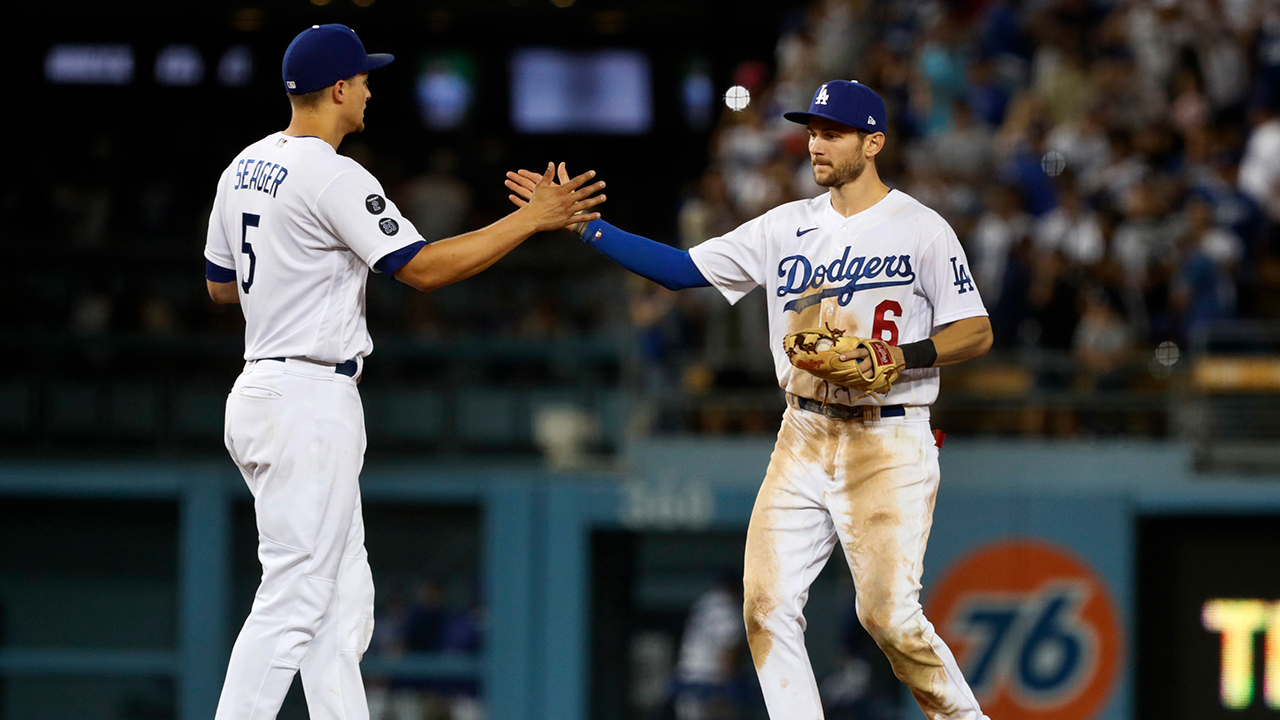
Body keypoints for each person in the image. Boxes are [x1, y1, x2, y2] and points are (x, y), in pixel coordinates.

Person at [507, 80, 993, 719]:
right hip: (804, 430)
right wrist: (587, 227)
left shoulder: (921, 228)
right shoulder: (784, 225)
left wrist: (902, 355)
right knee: (765, 608)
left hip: (889, 433)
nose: (816, 144)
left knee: (889, 619)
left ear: (873, 142)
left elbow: (976, 330)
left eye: (834, 133)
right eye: (813, 131)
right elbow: (681, 270)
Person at [203, 24, 604, 720]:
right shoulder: (332, 172)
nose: (368, 88)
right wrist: (532, 219)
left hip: (263, 386)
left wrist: (294, 273)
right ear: (336, 89)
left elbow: (218, 286)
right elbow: (422, 269)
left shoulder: (243, 165)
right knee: (295, 599)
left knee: (343, 602)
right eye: (361, 78)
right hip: (306, 397)